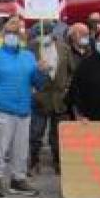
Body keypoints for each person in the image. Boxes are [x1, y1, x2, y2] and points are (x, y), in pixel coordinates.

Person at [0, 18, 51, 198]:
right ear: (2, 35)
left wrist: (42, 71)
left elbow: (38, 84)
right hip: (0, 107)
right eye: (9, 33)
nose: (12, 36)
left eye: (16, 33)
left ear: (21, 36)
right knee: (0, 147)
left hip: (23, 108)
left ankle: (18, 179)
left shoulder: (29, 56)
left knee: (21, 147)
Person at [30, 23, 78, 174]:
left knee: (57, 135)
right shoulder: (31, 48)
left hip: (59, 98)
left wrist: (67, 87)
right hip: (40, 97)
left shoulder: (64, 48)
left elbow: (72, 71)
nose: (44, 37)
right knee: (36, 133)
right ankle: (33, 161)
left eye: (47, 33)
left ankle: (58, 162)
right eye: (40, 34)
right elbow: (26, 71)